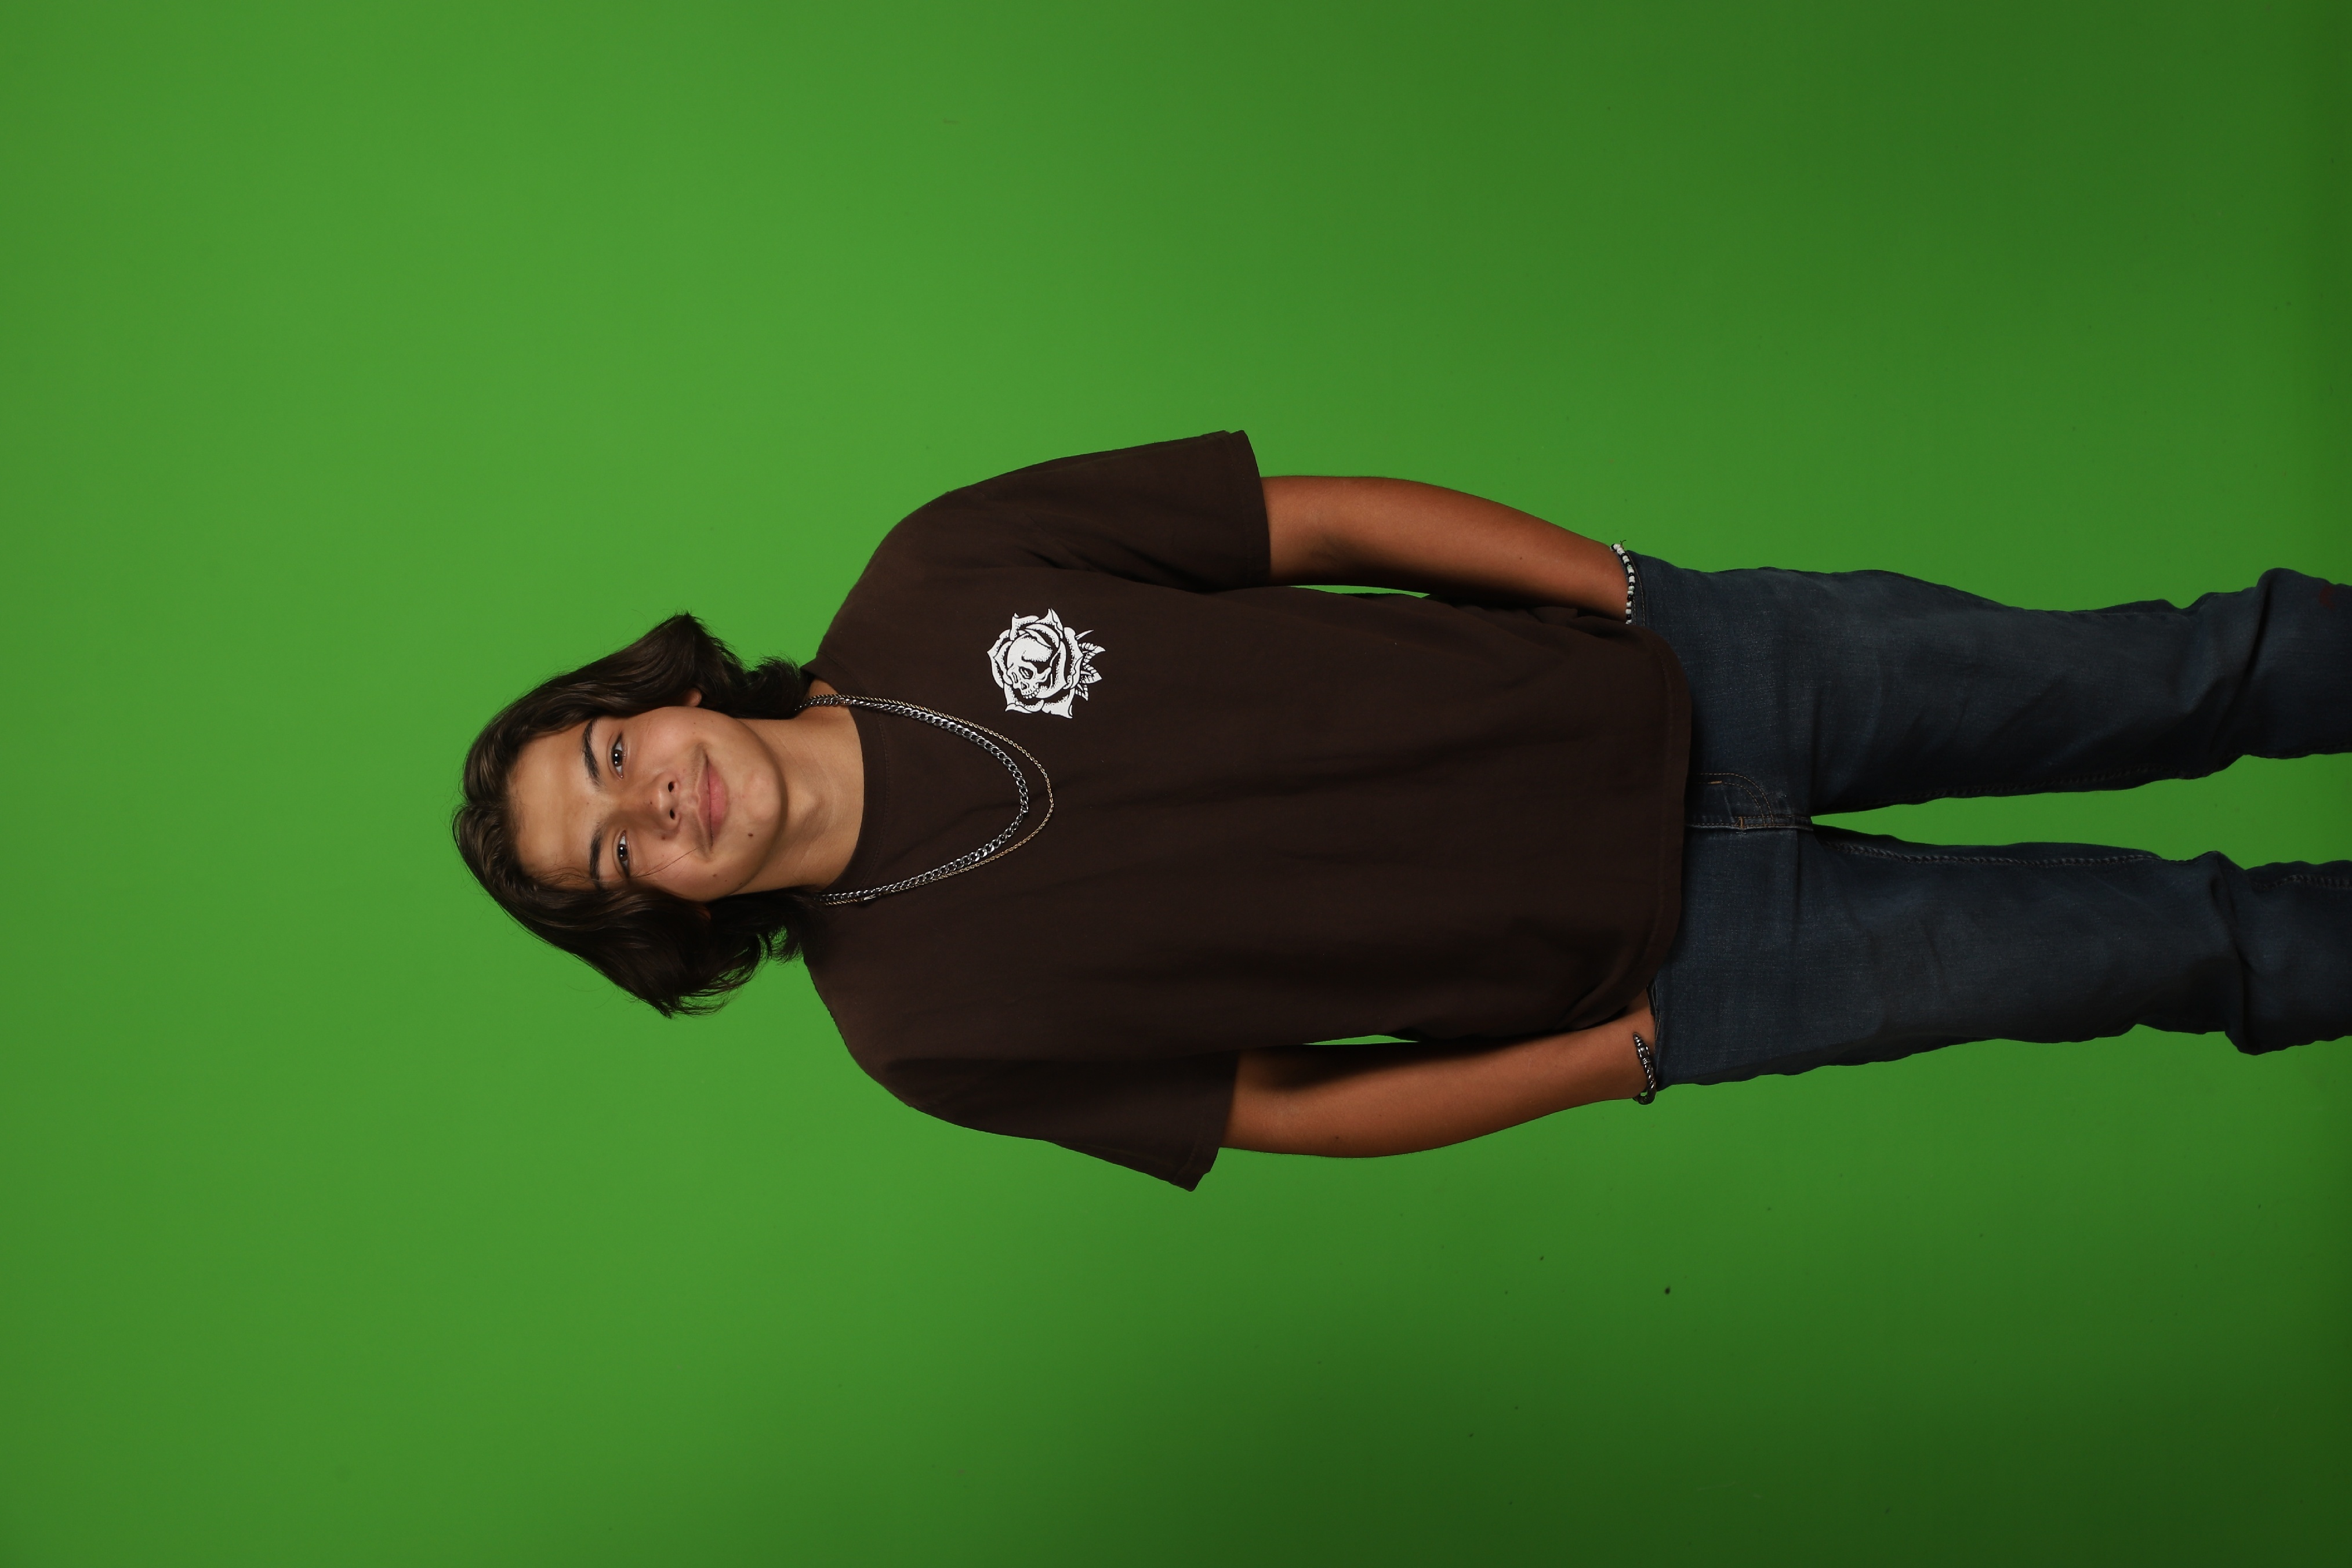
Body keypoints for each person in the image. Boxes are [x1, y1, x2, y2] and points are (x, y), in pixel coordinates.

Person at [455, 432, 2352, 1189]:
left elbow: (1313, 522)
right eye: (615, 858)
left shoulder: (939, 567)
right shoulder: (918, 1034)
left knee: (2183, 672)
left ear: (658, 693)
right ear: (660, 915)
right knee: (2184, 952)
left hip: (1700, 675)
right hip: (1693, 964)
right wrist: (1618, 1059)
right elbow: (1289, 1106)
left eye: (611, 758)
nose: (655, 805)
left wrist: (1626, 590)